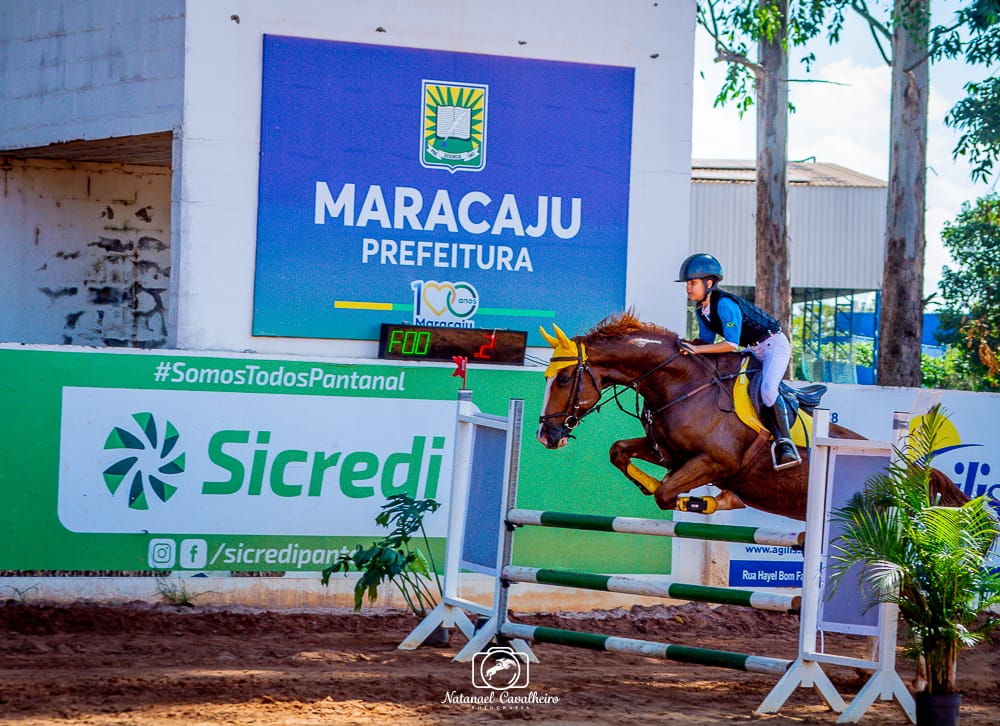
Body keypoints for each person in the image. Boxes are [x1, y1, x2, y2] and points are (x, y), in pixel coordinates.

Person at [675, 253, 801, 470]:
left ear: (709, 283)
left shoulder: (724, 304)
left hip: (774, 346)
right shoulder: (701, 310)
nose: (688, 287)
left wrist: (696, 349)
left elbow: (731, 345)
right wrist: (687, 348)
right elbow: (706, 341)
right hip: (754, 350)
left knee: (769, 391)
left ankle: (786, 444)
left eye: (693, 283)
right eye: (687, 283)